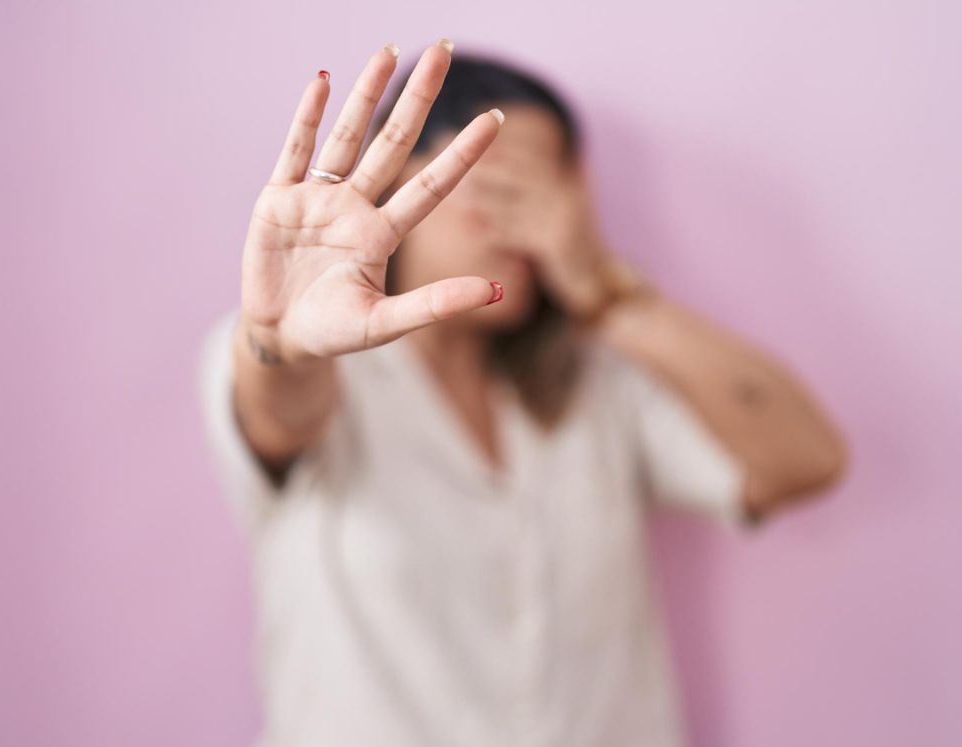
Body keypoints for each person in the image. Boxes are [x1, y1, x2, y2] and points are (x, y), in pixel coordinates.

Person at [199, 38, 847, 747]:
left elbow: (805, 459)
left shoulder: (598, 382)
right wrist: (278, 341)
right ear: (407, 178)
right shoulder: (307, 363)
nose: (531, 228)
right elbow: (278, 411)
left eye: (553, 197)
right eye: (504, 187)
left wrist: (607, 295)